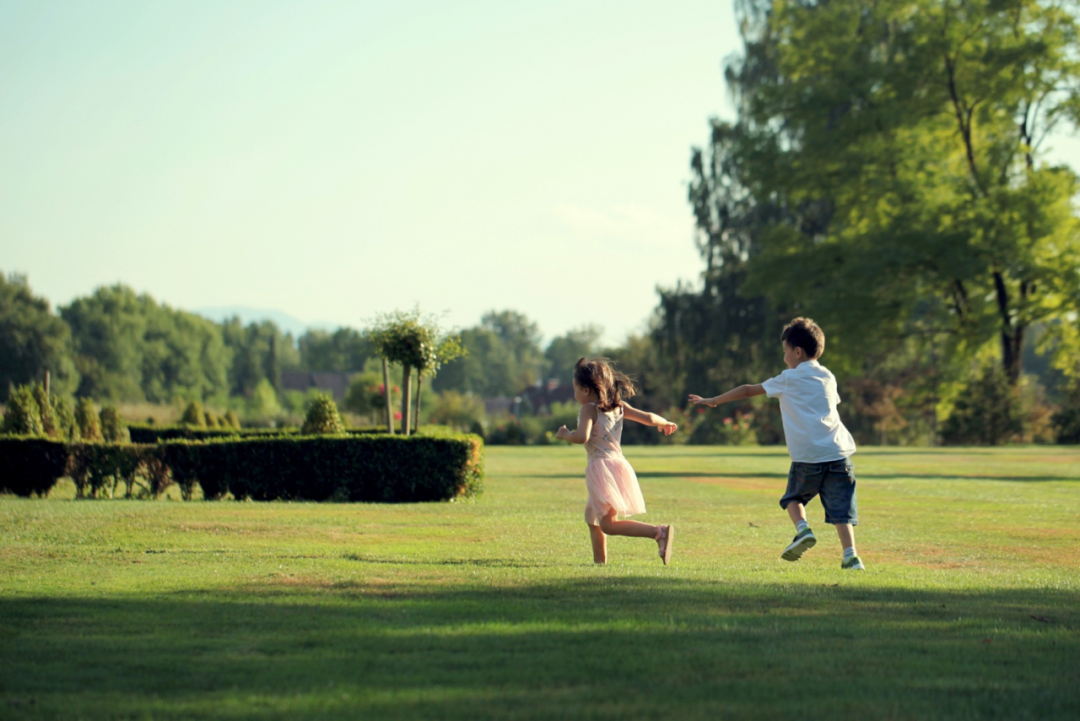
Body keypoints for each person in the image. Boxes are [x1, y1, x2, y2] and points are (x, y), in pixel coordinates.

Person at [689, 317, 865, 570]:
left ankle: (803, 530)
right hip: (838, 453)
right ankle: (851, 556)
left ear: (797, 352)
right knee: (841, 510)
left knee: (793, 497)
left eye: (785, 352)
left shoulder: (788, 378)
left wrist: (714, 400)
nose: (784, 359)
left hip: (808, 456)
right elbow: (830, 404)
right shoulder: (828, 376)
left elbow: (749, 390)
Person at [555, 357, 679, 565]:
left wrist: (565, 434)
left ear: (586, 390)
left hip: (601, 469)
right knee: (592, 518)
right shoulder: (618, 406)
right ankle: (599, 563)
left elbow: (582, 437)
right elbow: (648, 417)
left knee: (609, 525)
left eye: (575, 389)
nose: (575, 394)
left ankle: (659, 532)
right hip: (618, 464)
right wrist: (664, 422)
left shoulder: (588, 409)